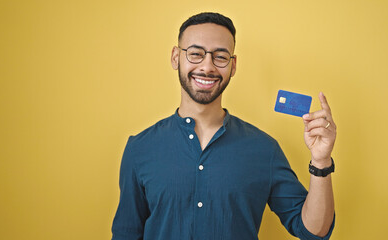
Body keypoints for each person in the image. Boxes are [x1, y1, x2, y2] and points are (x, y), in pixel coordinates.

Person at [112, 12, 336, 240]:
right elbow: (126, 234)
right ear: (175, 57)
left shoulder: (264, 149)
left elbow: (313, 230)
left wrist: (321, 161)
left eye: (220, 57)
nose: (207, 67)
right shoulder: (139, 148)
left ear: (233, 65)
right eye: (195, 54)